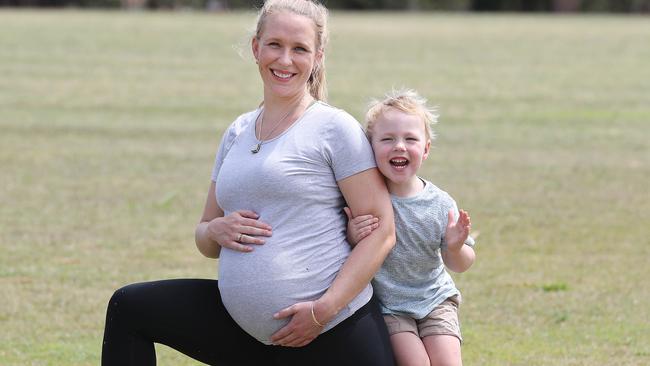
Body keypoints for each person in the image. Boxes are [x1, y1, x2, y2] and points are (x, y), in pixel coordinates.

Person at [100, 1, 396, 365]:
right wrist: (217, 230)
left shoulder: (334, 129)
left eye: (299, 49)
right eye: (274, 45)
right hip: (247, 336)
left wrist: (322, 311)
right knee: (130, 308)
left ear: (317, 56)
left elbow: (382, 233)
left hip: (333, 334)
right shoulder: (237, 131)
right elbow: (204, 235)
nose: (285, 60)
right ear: (256, 48)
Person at [344, 89, 476, 366]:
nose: (399, 146)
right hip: (390, 307)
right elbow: (352, 252)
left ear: (426, 149)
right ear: (370, 147)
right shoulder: (365, 199)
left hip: (436, 300)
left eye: (410, 139)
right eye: (388, 139)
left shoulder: (440, 203)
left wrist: (455, 246)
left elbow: (461, 264)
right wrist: (353, 236)